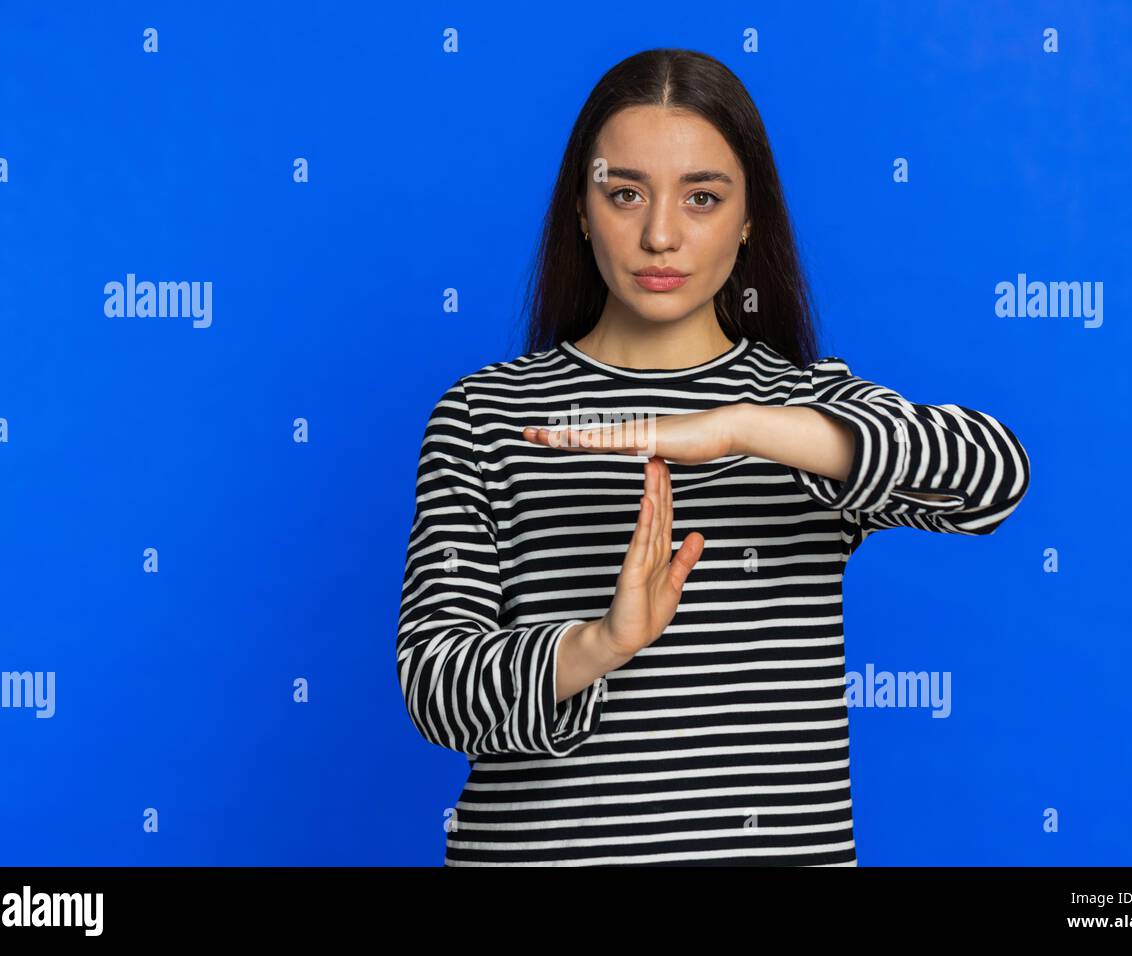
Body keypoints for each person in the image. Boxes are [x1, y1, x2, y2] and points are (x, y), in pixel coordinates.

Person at [395, 48, 1029, 866]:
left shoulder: (804, 412)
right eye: (625, 194)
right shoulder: (486, 415)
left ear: (750, 215)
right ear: (581, 211)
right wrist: (600, 643)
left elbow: (993, 477)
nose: (660, 235)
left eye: (702, 197)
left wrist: (742, 428)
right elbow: (437, 689)